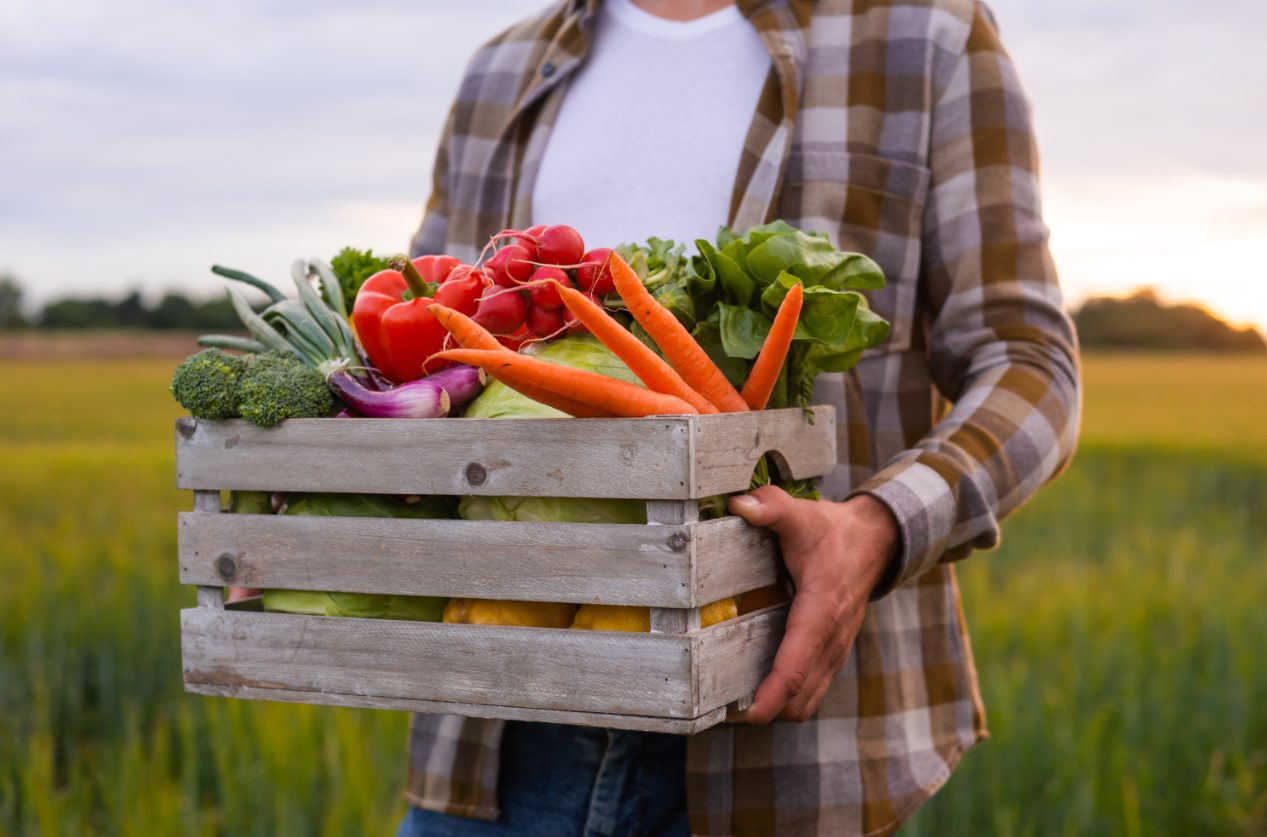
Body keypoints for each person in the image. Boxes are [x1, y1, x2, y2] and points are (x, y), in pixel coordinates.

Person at [398, 0, 1080, 834]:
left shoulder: (925, 35)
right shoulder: (501, 68)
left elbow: (1028, 360)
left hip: (793, 745)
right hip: (497, 729)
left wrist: (874, 528)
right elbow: (425, 344)